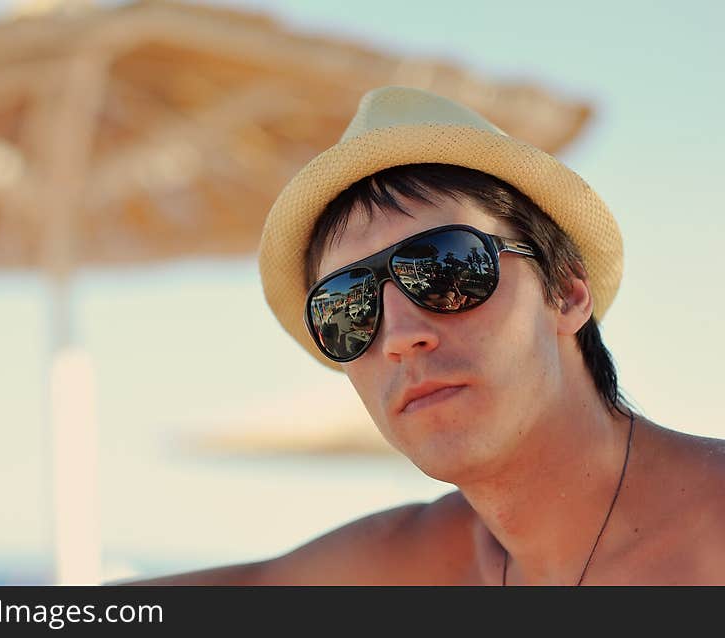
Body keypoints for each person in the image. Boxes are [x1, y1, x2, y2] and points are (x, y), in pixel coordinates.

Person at [121, 86, 725, 585]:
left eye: (447, 269)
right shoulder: (421, 565)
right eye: (348, 308)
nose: (399, 336)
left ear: (566, 291)